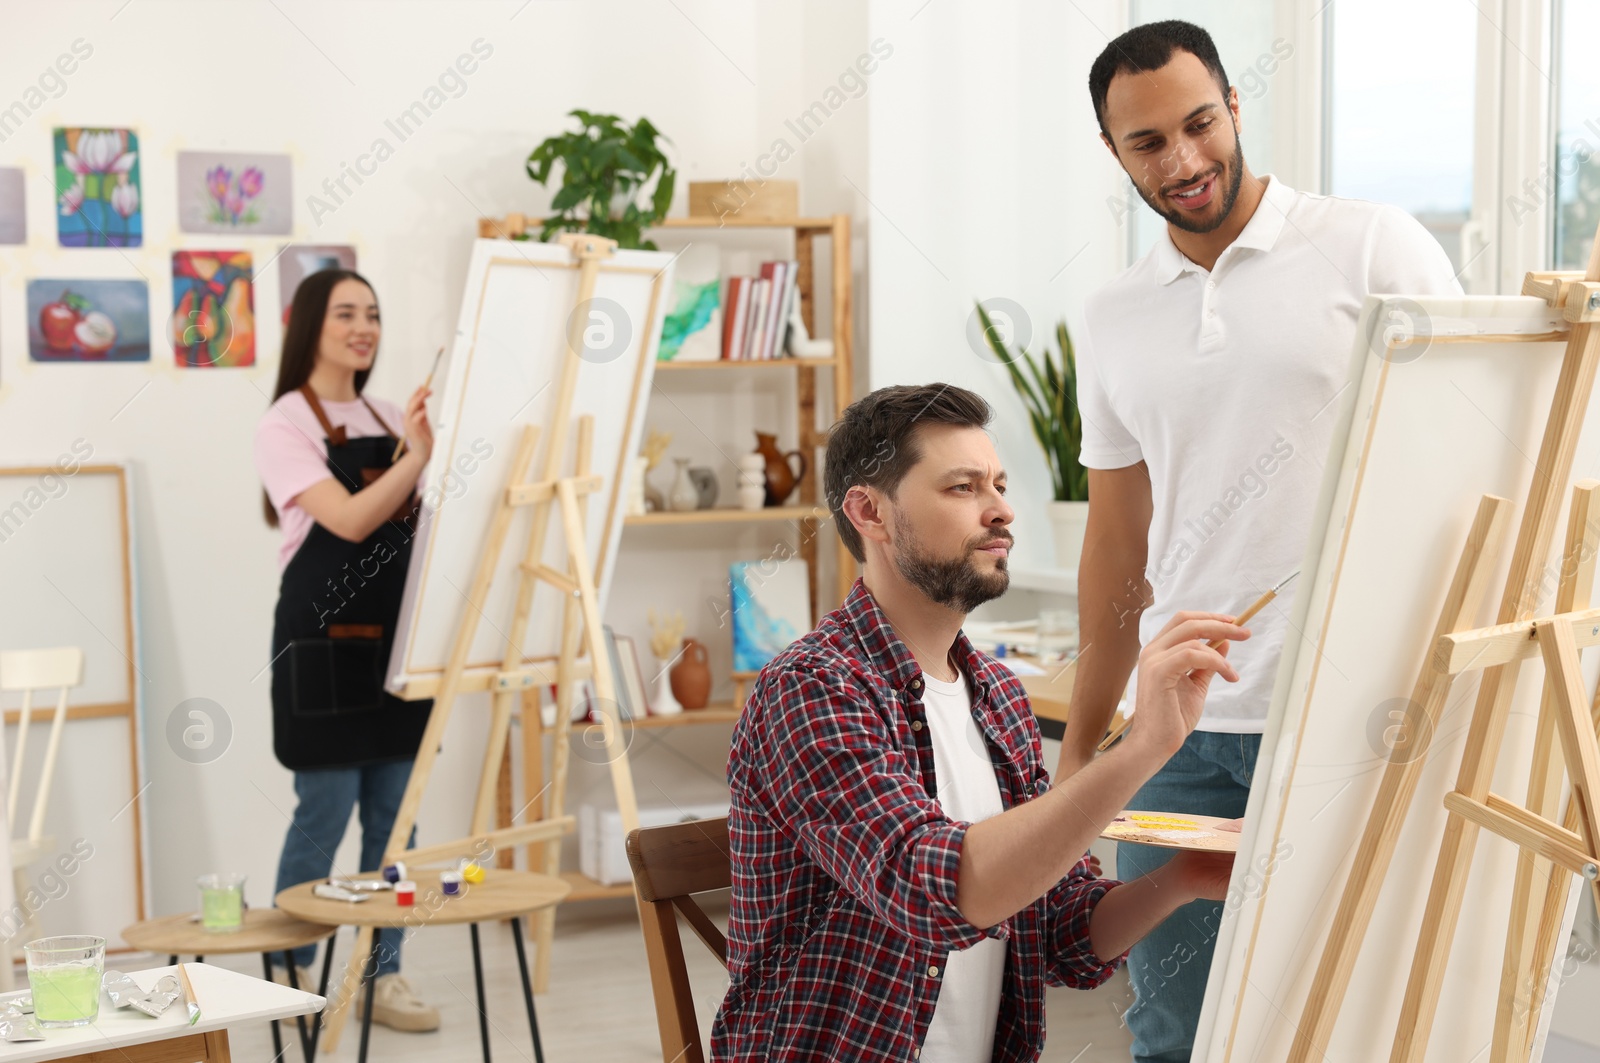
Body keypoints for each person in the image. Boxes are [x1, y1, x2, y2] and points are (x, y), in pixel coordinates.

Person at [1058, 20, 1463, 1062]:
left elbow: (1471, 465)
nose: (1184, 161)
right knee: (1172, 1026)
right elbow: (1115, 542)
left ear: (1235, 106)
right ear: (1115, 154)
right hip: (1177, 733)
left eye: (1199, 124)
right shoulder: (1109, 314)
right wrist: (1080, 751)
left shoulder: (1371, 244)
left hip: (1353, 716)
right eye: (1148, 144)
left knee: (1355, 1016)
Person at [709, 383, 1249, 1062]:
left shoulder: (995, 692)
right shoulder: (812, 690)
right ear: (869, 511)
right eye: (963, 487)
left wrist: (1183, 878)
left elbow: (1058, 929)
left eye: (997, 483)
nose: (1001, 510)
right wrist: (1142, 747)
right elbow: (940, 890)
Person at [254, 268, 440, 1032]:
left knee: (398, 824)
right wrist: (417, 456)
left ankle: (381, 976)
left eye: (372, 313)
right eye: (345, 314)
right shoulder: (283, 423)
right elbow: (355, 520)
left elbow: (421, 530)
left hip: (398, 652)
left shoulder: (391, 413)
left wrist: (431, 448)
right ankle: (291, 969)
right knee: (321, 816)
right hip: (322, 649)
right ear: (309, 325)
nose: (363, 327)